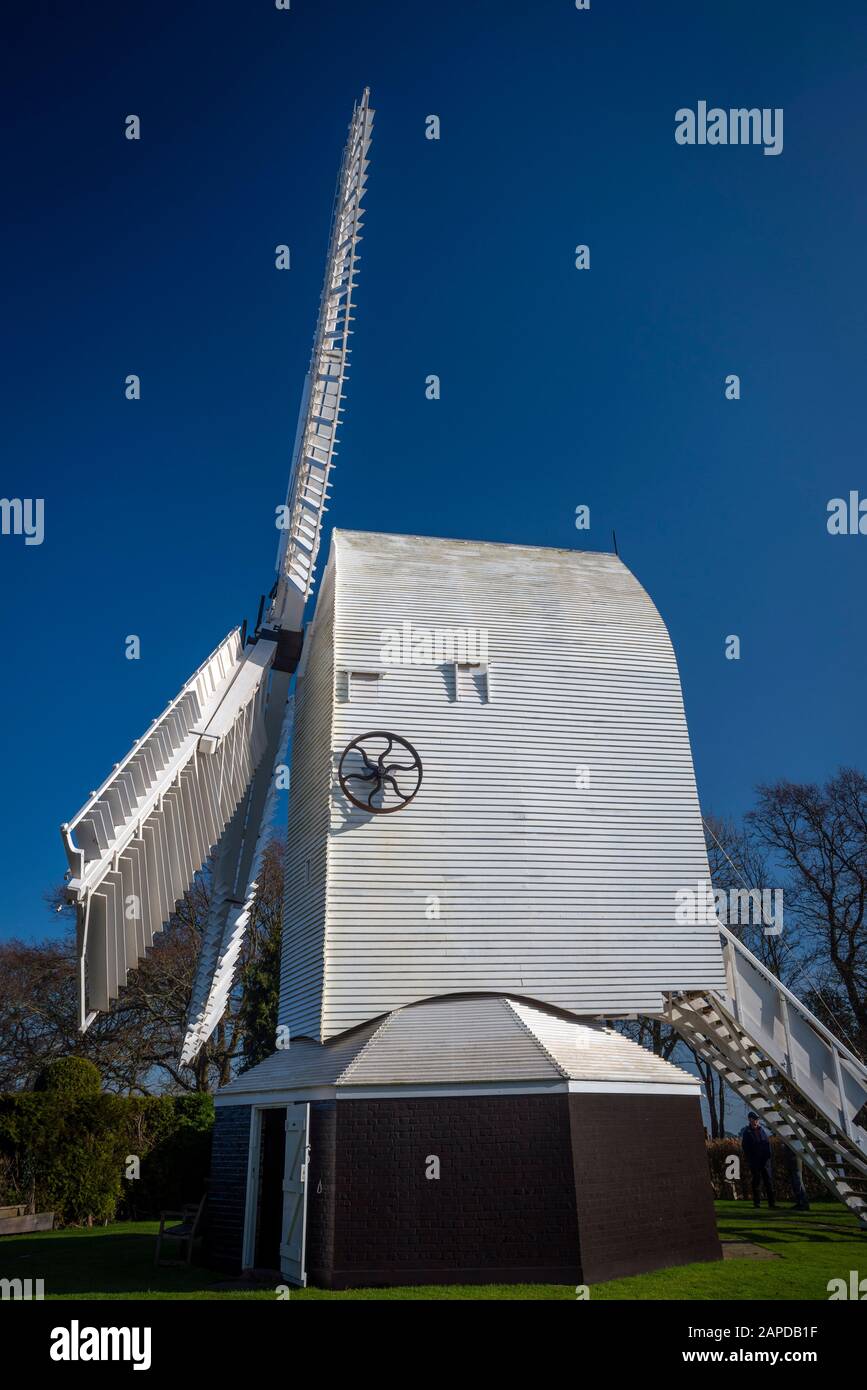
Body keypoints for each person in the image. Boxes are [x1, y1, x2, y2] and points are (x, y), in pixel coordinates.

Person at [740, 1111, 776, 1208]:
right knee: (756, 1182)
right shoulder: (747, 1132)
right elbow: (745, 1147)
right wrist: (751, 1159)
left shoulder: (762, 1130)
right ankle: (757, 1202)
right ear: (750, 1119)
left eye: (757, 1119)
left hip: (765, 1162)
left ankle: (771, 1203)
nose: (756, 1121)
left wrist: (768, 1156)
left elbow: (767, 1144)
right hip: (755, 1162)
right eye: (754, 1119)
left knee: (768, 1182)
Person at [783, 1144, 810, 1211]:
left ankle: (804, 1203)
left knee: (798, 1183)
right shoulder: (786, 1141)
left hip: (795, 1162)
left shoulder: (795, 1142)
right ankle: (799, 1203)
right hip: (790, 1163)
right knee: (795, 1184)